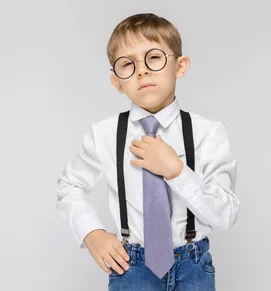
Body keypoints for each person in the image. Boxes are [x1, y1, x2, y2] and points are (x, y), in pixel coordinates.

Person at [56, 12, 240, 290]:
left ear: (180, 66)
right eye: (127, 64)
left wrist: (177, 172)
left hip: (193, 266)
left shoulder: (208, 133)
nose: (141, 70)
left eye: (153, 57)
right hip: (132, 268)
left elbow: (225, 214)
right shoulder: (103, 134)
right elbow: (69, 185)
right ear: (117, 82)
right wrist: (91, 233)